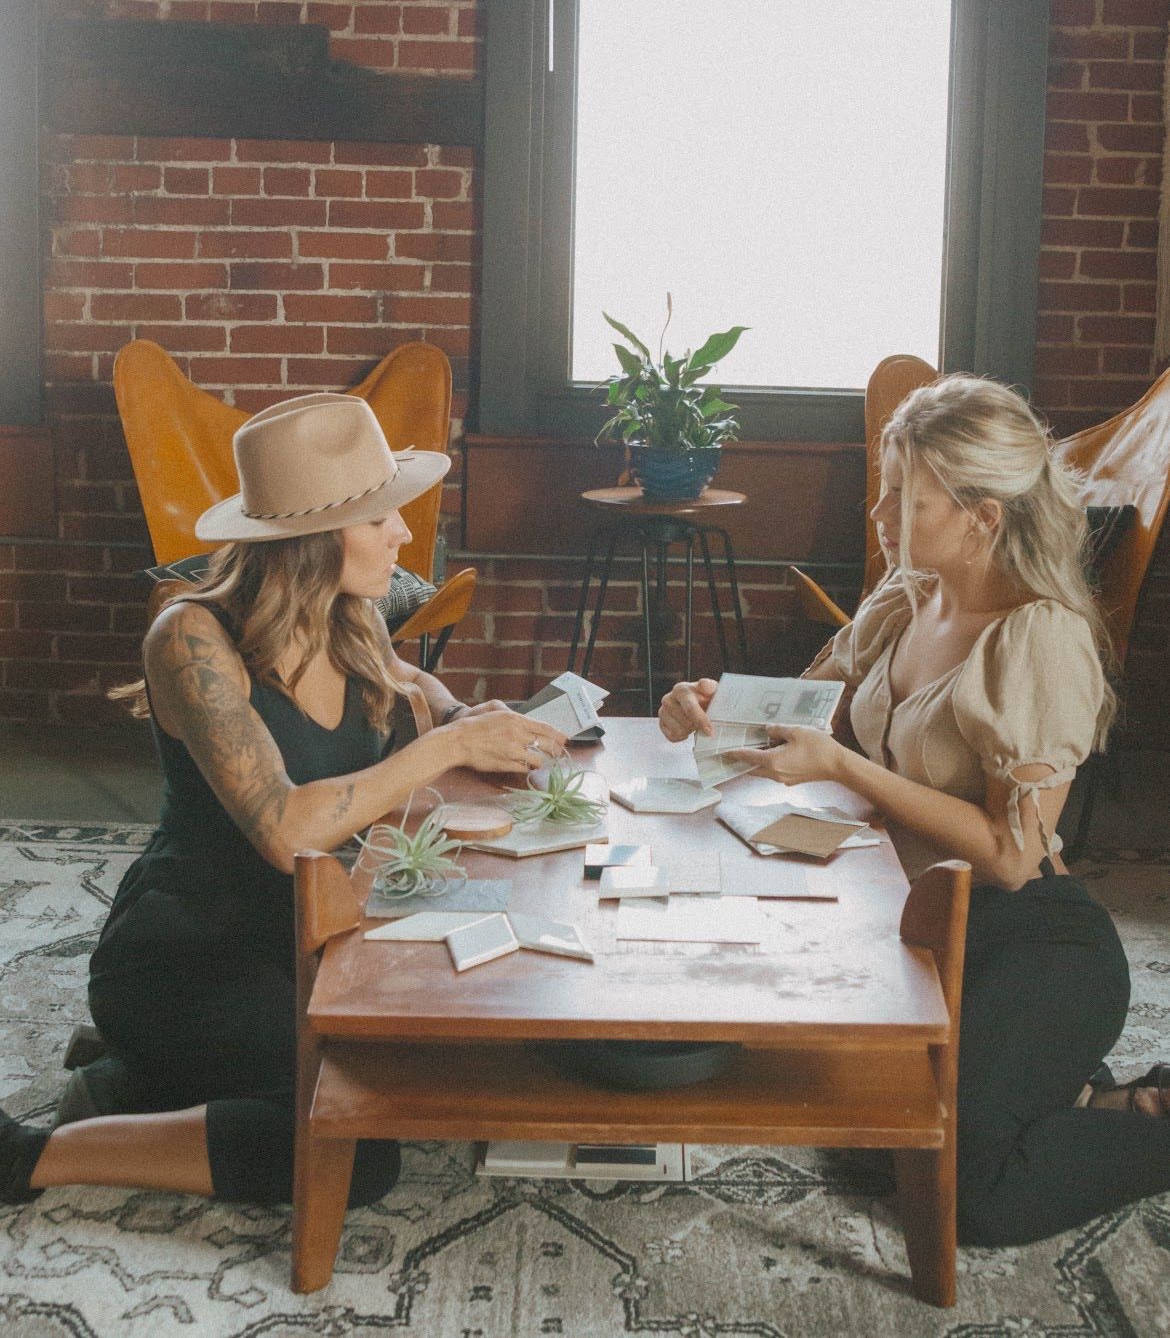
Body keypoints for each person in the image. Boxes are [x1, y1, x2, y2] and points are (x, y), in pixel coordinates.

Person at [0, 391, 566, 1208]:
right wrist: (444, 748)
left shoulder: (352, 613)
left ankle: (147, 1079)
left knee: (417, 1052)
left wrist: (463, 717)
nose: (404, 533)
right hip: (186, 953)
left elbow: (416, 684)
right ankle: (37, 1153)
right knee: (355, 1149)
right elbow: (286, 827)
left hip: (299, 927)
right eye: (380, 519)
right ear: (311, 537)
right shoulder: (192, 636)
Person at [659, 373, 1169, 1246]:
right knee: (863, 1132)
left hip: (1029, 937)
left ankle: (1143, 1126)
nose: (881, 513)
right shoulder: (908, 595)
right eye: (885, 488)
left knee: (966, 1196)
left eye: (907, 497)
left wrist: (851, 770)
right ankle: (1077, 1091)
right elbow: (797, 710)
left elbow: (1012, 855)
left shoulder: (1039, 636)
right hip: (911, 922)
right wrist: (706, 703)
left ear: (982, 514)